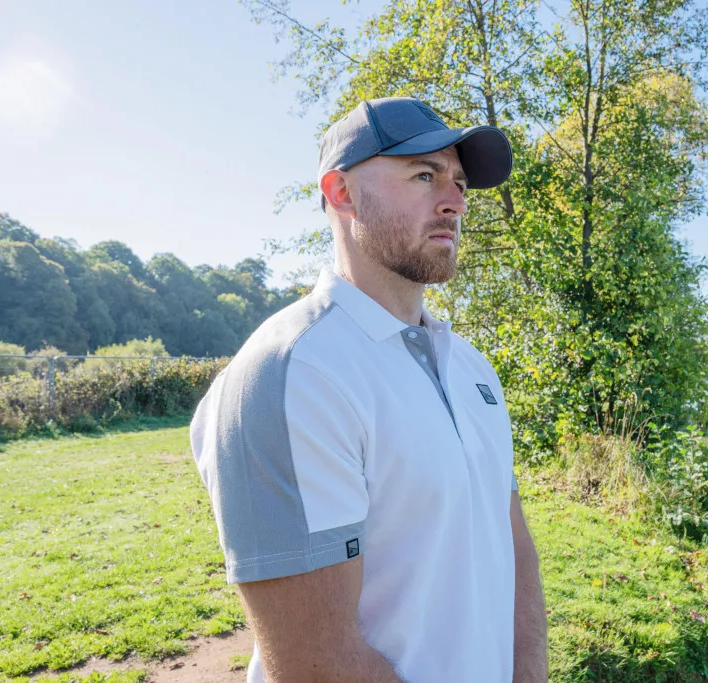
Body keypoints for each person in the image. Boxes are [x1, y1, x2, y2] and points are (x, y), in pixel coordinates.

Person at [190, 96, 548, 683]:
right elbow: (315, 664)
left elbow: (513, 548)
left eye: (459, 182)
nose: (456, 202)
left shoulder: (472, 369)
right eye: (425, 175)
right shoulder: (291, 374)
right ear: (342, 193)